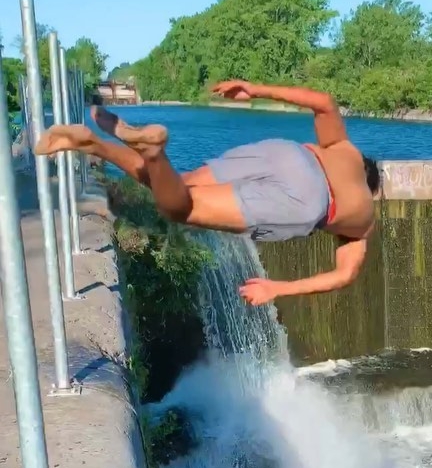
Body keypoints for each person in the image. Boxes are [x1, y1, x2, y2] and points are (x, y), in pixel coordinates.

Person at [34, 81, 381, 306]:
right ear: (371, 188)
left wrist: (254, 90)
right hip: (309, 201)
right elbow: (344, 276)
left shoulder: (343, 147)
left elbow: (323, 102)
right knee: (180, 209)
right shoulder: (364, 223)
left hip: (292, 153)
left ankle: (94, 144)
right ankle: (153, 150)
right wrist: (277, 288)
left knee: (174, 184)